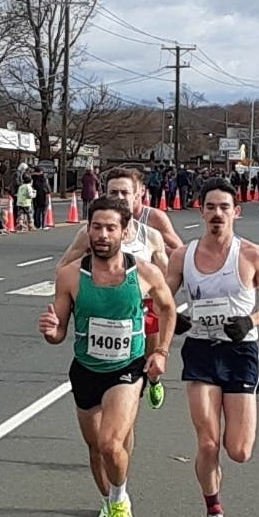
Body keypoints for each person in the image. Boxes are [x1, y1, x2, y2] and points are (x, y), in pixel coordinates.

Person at [38, 196, 177, 517]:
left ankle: (120, 504)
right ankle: (108, 497)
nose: (102, 235)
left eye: (111, 228)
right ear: (87, 229)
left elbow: (167, 308)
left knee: (110, 443)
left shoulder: (143, 273)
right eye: (96, 227)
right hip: (86, 370)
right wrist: (51, 329)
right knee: (95, 451)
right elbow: (59, 335)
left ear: (125, 231)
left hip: (126, 369)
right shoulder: (70, 276)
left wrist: (160, 351)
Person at [165, 178, 259, 517]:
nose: (217, 214)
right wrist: (175, 319)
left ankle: (233, 446)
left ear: (236, 212)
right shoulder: (182, 256)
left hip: (240, 354)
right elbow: (160, 297)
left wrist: (250, 320)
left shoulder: (251, 254)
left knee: (239, 451)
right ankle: (213, 512)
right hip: (201, 351)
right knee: (207, 443)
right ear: (201, 211)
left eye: (224, 208)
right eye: (210, 207)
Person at [58, 169, 171, 410]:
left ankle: (152, 379)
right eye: (113, 192)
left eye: (124, 192)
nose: (119, 197)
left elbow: (168, 272)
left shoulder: (151, 232)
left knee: (143, 363)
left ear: (137, 194)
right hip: (104, 307)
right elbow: (64, 266)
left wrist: (166, 303)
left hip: (143, 306)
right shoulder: (90, 233)